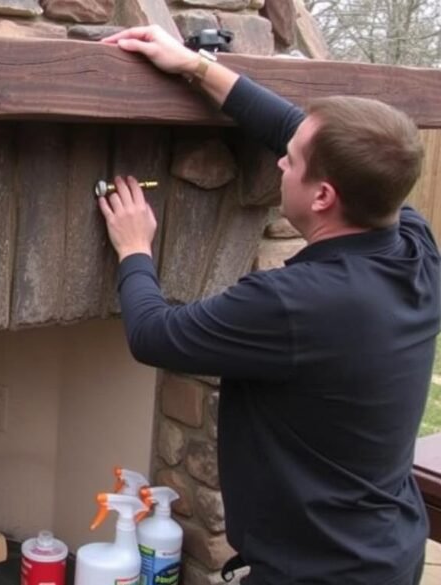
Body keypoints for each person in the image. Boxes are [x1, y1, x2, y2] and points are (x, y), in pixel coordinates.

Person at [97, 25, 437, 585]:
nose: (280, 160)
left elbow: (153, 336)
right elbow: (290, 129)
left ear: (323, 196)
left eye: (293, 161)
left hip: (317, 573)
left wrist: (134, 248)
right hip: (389, 551)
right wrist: (194, 65)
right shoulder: (414, 245)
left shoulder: (295, 304)